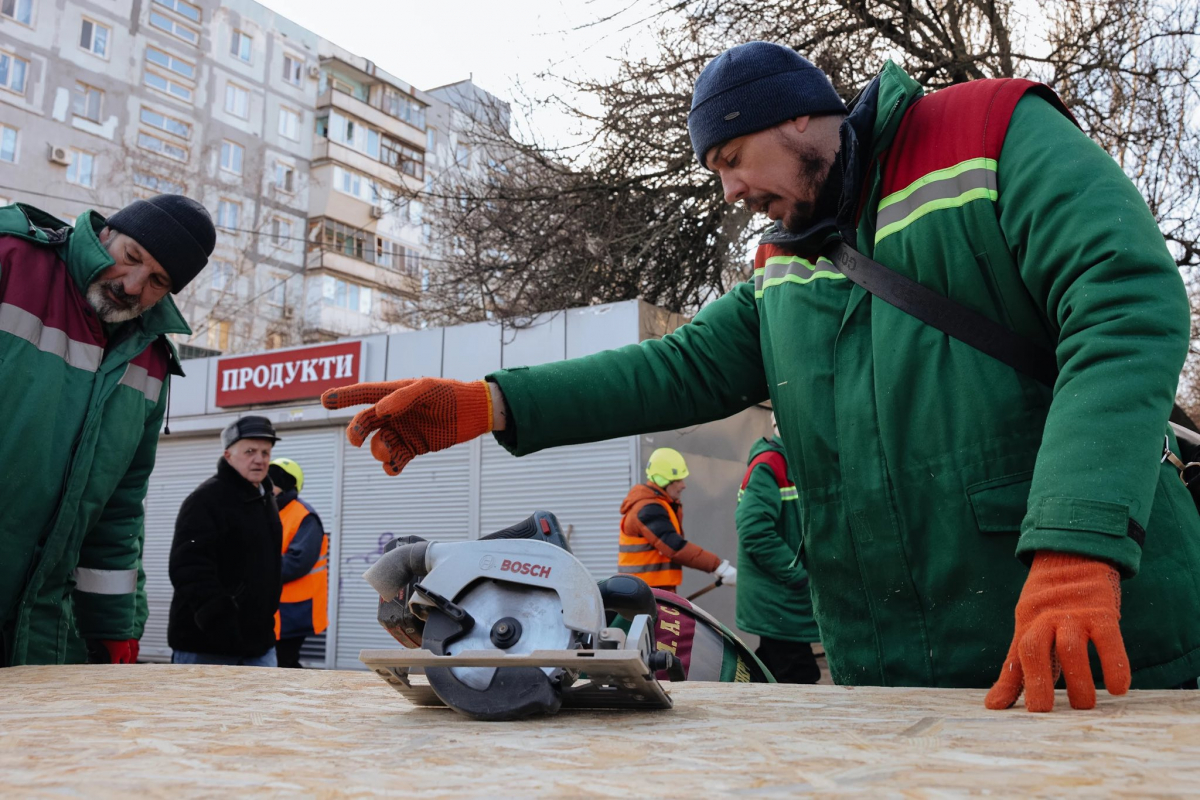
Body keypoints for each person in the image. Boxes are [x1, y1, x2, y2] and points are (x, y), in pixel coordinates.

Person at [320, 42, 1200, 712]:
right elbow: (680, 365)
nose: (732, 191)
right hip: (888, 672)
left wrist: (1079, 550)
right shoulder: (786, 263)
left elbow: (1123, 305)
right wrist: (490, 402)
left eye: (731, 160)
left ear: (796, 118)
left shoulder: (989, 136)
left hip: (1084, 634)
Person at [0, 195, 215, 667]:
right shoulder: (12, 261)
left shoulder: (151, 360)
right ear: (105, 235)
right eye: (131, 257)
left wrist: (113, 627)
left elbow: (117, 510)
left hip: (39, 630)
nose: (133, 285)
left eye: (158, 281)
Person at [168, 417, 283, 667]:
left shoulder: (265, 499)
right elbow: (188, 568)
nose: (260, 459)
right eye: (250, 451)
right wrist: (219, 619)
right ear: (228, 455)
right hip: (206, 647)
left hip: (259, 645)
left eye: (265, 452)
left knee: (262, 708)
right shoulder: (205, 500)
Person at [735, 421, 821, 684]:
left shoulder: (789, 461)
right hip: (778, 596)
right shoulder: (770, 464)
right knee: (798, 674)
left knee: (772, 668)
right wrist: (794, 572)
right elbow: (753, 529)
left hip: (781, 598)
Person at [617, 447, 737, 593]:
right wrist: (718, 566)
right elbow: (674, 546)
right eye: (678, 480)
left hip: (649, 593)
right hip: (645, 595)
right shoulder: (648, 509)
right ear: (663, 481)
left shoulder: (658, 505)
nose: (683, 485)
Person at [267, 458, 328, 669]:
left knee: (284, 664)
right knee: (274, 665)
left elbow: (298, 562)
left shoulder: (304, 516)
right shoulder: (270, 512)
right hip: (274, 609)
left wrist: (256, 571)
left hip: (294, 610)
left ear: (285, 485)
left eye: (271, 482)